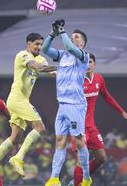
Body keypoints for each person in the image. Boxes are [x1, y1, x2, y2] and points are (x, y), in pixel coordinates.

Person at [0, 33, 56, 185]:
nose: (39, 47)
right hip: (17, 99)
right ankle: (18, 157)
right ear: (28, 44)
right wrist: (59, 66)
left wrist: (72, 73)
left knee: (15, 138)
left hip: (21, 100)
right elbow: (37, 67)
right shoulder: (22, 55)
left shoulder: (41, 58)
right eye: (36, 44)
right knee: (40, 128)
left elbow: (53, 72)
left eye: (41, 44)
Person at [69, 53, 127, 186]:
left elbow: (107, 97)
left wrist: (122, 112)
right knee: (82, 160)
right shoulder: (76, 80)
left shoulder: (99, 79)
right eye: (85, 62)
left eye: (90, 62)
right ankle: (77, 183)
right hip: (78, 126)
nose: (87, 65)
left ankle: (81, 180)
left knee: (101, 158)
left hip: (91, 126)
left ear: (94, 64)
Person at [42, 19, 92, 186]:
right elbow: (44, 49)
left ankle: (86, 178)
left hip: (75, 104)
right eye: (72, 36)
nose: (73, 38)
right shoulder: (63, 55)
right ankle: (54, 178)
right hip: (62, 104)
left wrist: (62, 31)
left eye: (76, 37)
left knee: (78, 141)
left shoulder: (83, 56)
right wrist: (53, 33)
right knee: (59, 141)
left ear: (83, 43)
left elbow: (70, 46)